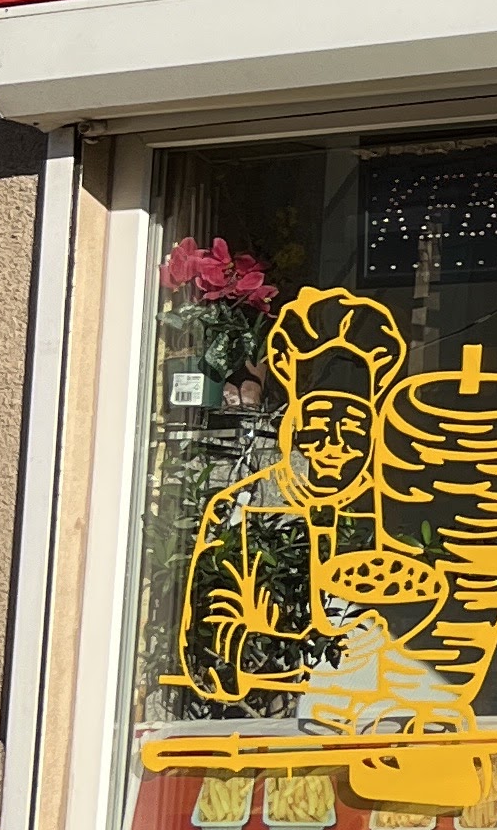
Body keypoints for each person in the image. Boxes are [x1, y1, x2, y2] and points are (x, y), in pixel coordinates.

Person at [167, 285, 449, 712]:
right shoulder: (245, 506)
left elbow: (429, 613)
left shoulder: (391, 508)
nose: (334, 445)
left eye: (352, 428)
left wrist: (385, 634)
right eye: (318, 424)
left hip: (381, 712)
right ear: (291, 425)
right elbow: (208, 641)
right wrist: (274, 640)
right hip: (269, 716)